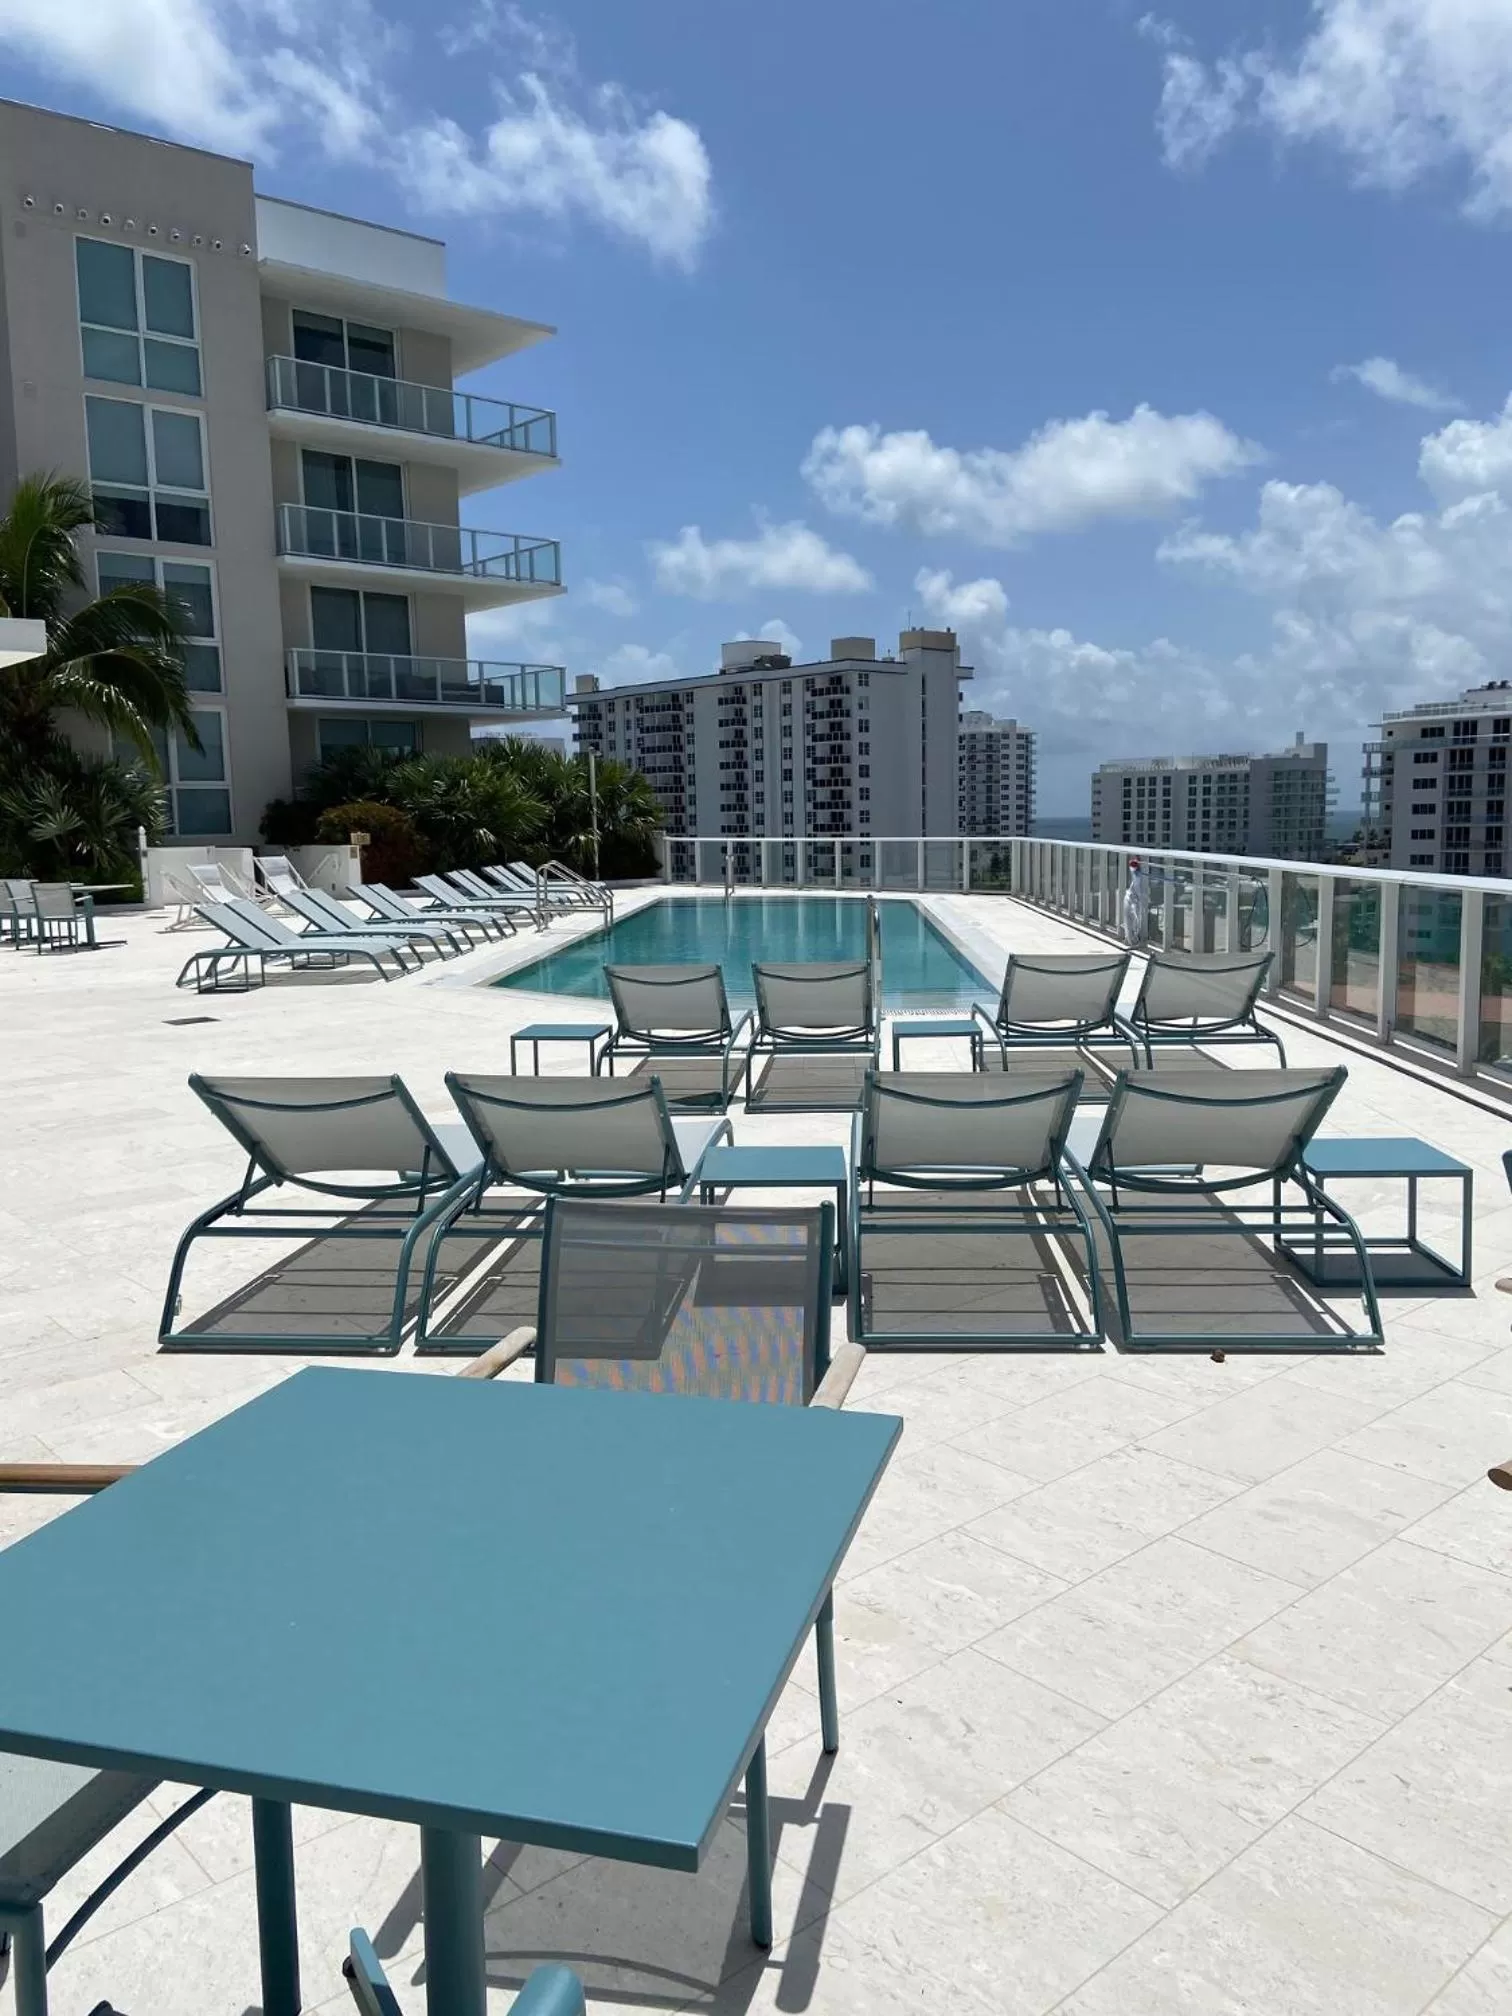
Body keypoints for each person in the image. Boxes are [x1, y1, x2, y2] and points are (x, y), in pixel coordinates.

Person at [1122, 856, 1148, 946]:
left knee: (1134, 919)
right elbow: (1132, 865)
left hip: (1135, 900)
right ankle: (1130, 939)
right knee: (1133, 919)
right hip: (1132, 898)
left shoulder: (1139, 874)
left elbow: (1132, 865)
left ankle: (1130, 939)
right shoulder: (1136, 872)